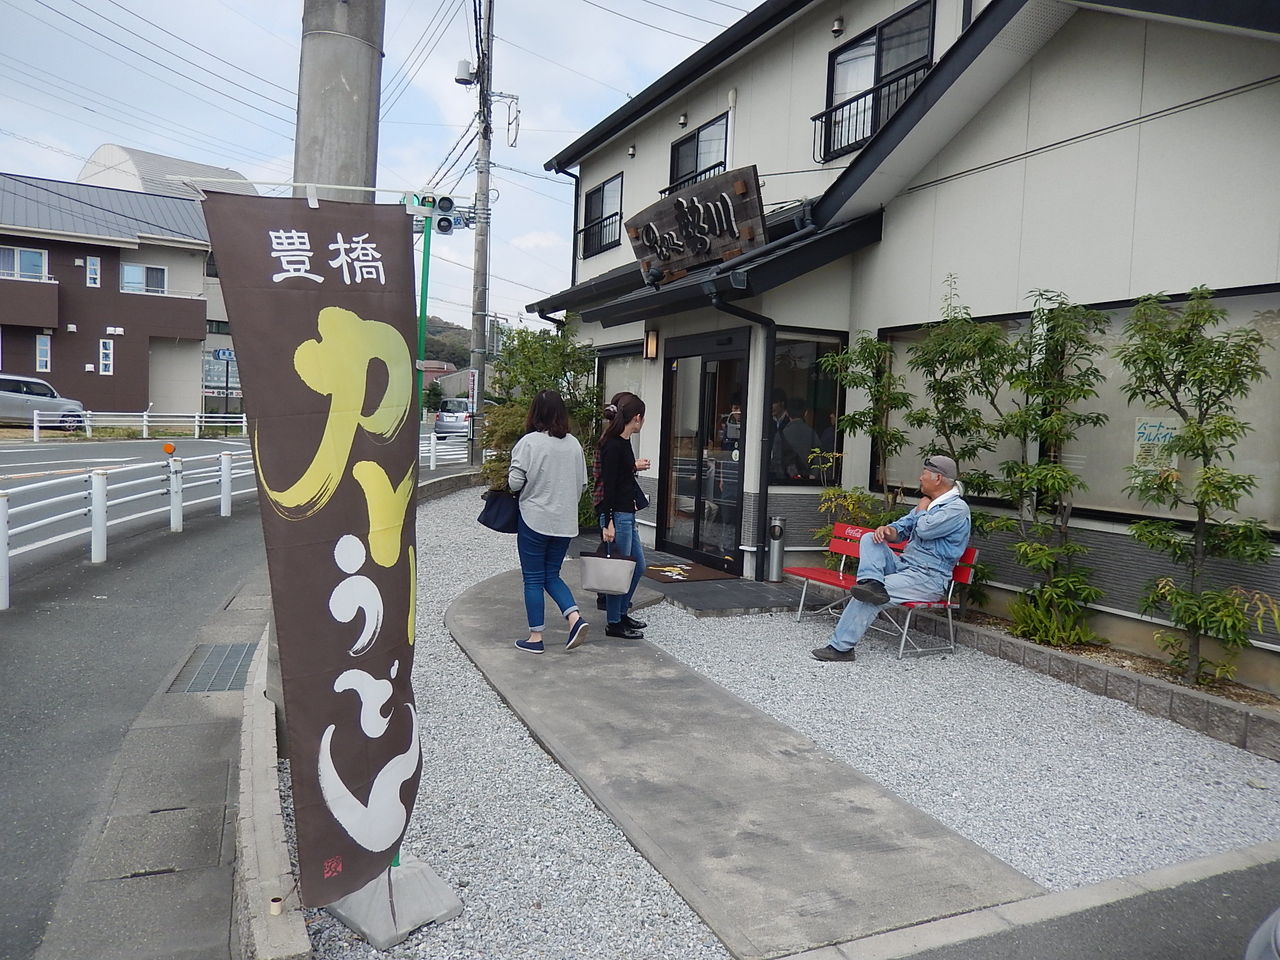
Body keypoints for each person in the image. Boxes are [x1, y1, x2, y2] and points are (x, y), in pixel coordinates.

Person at [811, 455, 971, 663]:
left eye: (923, 474)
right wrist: (888, 530)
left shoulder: (956, 509)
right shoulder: (930, 505)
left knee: (867, 596)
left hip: (927, 578)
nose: (920, 478)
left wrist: (921, 510)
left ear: (938, 478)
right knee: (871, 538)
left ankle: (841, 649)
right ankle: (872, 582)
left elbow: (925, 529)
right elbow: (902, 529)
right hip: (905, 567)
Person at [508, 390, 590, 655]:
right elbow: (584, 485)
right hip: (565, 522)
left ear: (535, 413)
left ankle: (535, 638)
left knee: (533, 579)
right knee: (551, 575)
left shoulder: (529, 443)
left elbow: (514, 483)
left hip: (534, 518)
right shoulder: (574, 444)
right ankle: (575, 618)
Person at [591, 392, 651, 610]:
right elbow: (609, 484)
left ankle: (621, 611)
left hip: (625, 512)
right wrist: (608, 521)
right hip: (617, 514)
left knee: (636, 566)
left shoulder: (622, 441)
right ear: (636, 418)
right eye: (643, 417)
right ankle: (615, 619)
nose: (644, 422)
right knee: (620, 570)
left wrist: (633, 466)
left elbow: (617, 476)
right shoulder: (613, 444)